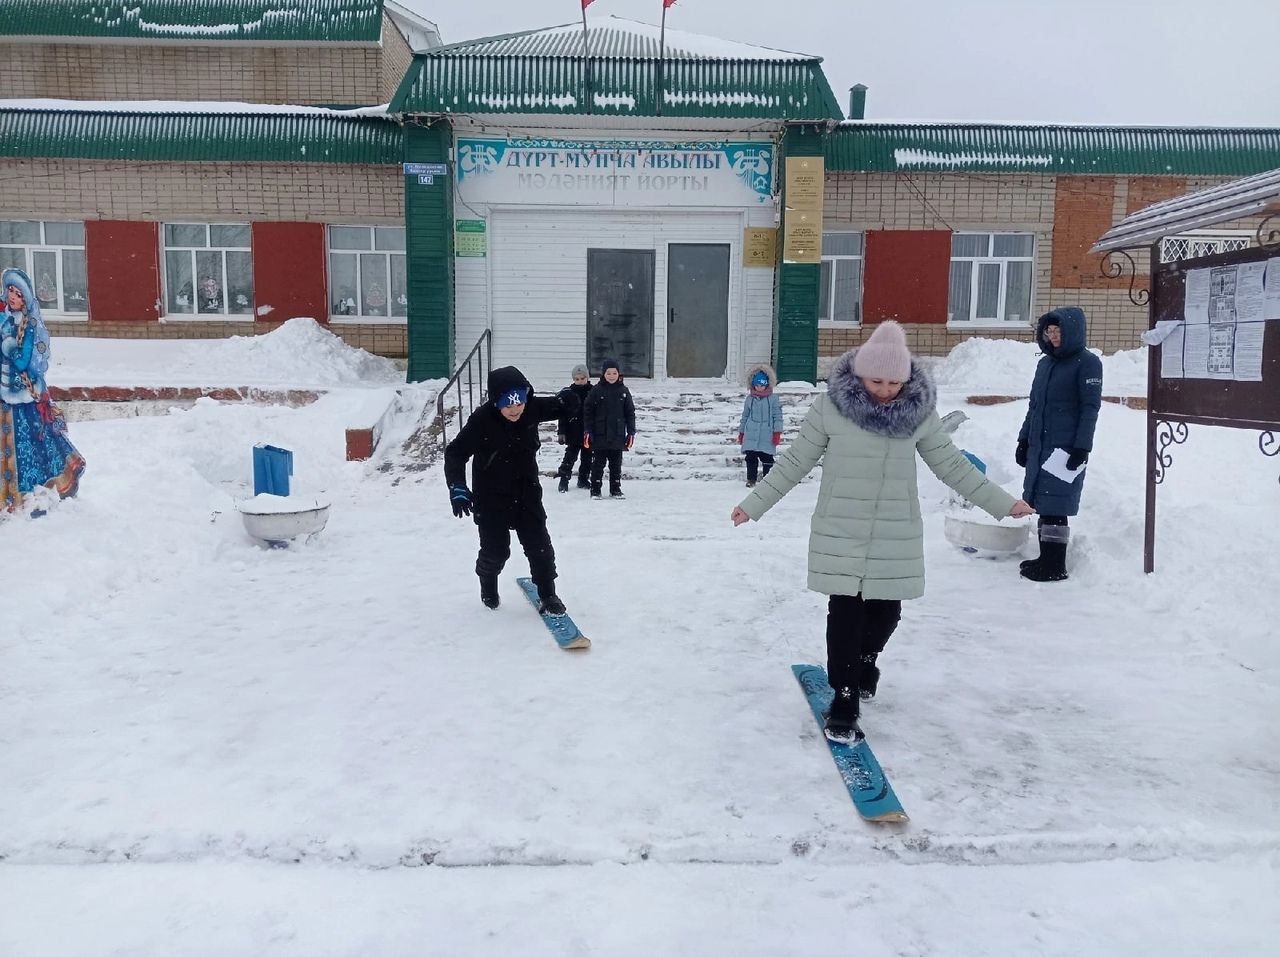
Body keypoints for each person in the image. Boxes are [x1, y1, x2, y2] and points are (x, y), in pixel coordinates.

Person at [730, 321, 1034, 743]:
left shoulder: (918, 415)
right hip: (841, 527)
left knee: (886, 612)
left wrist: (1004, 504)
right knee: (845, 612)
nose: (886, 389)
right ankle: (845, 696)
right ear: (859, 374)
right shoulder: (829, 408)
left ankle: (867, 660)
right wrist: (753, 504)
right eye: (877, 380)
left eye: (895, 382)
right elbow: (795, 461)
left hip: (895, 530)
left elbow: (952, 466)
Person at [443, 366, 568, 614]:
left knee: (540, 547)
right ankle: (487, 584)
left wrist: (574, 396)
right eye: (508, 405)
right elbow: (455, 453)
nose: (515, 410)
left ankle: (548, 594)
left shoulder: (531, 408)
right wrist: (457, 486)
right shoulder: (482, 421)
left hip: (527, 493)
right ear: (496, 402)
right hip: (491, 498)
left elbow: (562, 405)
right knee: (496, 551)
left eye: (519, 403)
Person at [1015, 307, 1103, 583]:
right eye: (1049, 332)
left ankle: (1055, 566)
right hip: (1041, 444)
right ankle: (1046, 558)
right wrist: (1023, 439)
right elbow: (1034, 406)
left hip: (1065, 447)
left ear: (1072, 332)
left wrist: (1082, 447)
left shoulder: (1088, 363)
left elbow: (1090, 408)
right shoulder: (1045, 364)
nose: (1053, 337)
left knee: (1057, 505)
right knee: (1043, 502)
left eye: (1058, 331)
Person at [1, 267, 86, 514]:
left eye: (18, 293)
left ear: (26, 298)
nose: (13, 297)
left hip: (23, 399)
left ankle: (30, 495)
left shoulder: (29, 326)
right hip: (3, 396)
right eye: (10, 291)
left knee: (27, 449)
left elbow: (21, 360)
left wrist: (6, 344)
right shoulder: (4, 319)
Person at [582, 358, 635, 500]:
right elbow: (588, 411)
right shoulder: (596, 390)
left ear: (619, 374)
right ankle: (595, 490)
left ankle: (615, 489)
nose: (611, 376)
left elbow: (630, 413)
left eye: (614, 373)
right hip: (600, 435)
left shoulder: (624, 391)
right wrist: (588, 430)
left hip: (618, 436)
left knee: (616, 465)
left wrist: (631, 432)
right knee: (598, 465)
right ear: (603, 374)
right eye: (608, 373)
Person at [738, 363, 784, 487]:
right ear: (753, 384)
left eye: (762, 385)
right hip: (751, 432)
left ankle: (767, 480)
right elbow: (745, 416)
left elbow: (777, 416)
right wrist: (742, 433)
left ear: (767, 384)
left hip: (766, 434)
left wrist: (777, 433)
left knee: (767, 458)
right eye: (757, 385)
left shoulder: (773, 399)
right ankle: (751, 479)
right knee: (751, 457)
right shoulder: (750, 399)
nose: (759, 387)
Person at [555, 363, 593, 493]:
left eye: (582, 378)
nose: (580, 381)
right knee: (570, 457)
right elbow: (563, 414)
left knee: (587, 458)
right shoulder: (569, 393)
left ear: (587, 377)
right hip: (573, 431)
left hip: (588, 431)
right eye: (577, 379)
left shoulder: (593, 392)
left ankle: (583, 479)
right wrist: (561, 432)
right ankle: (564, 479)